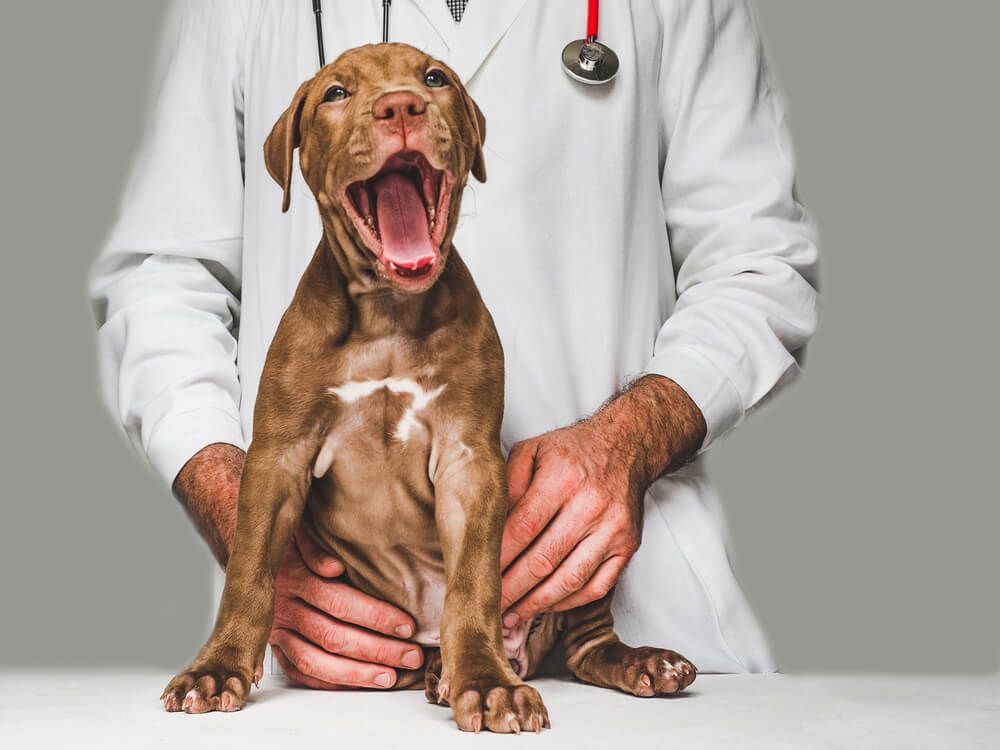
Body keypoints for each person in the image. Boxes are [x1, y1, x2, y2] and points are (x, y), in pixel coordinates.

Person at [89, 0, 819, 690]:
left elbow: (759, 261)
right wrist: (237, 506)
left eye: (427, 90)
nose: (402, 106)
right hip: (334, 644)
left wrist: (631, 437)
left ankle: (591, 641)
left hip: (627, 594)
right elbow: (164, 273)